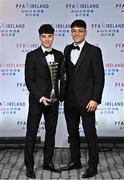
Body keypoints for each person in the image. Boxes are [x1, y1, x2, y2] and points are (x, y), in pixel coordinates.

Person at [60, 19, 105, 178]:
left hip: (87, 101)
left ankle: (93, 166)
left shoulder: (94, 51)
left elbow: (99, 78)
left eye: (80, 30)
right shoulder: (66, 49)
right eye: (74, 30)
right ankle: (75, 161)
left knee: (90, 134)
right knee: (72, 133)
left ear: (85, 32)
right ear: (71, 32)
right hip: (69, 99)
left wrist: (95, 99)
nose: (76, 33)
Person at [24, 24, 63, 178]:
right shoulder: (31, 55)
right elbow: (29, 80)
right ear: (40, 37)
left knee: (51, 134)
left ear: (53, 36)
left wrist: (62, 96)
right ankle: (29, 167)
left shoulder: (60, 55)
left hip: (53, 101)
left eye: (50, 36)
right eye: (44, 36)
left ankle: (48, 162)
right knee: (31, 134)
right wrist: (40, 97)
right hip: (37, 101)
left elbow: (63, 79)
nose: (47, 39)